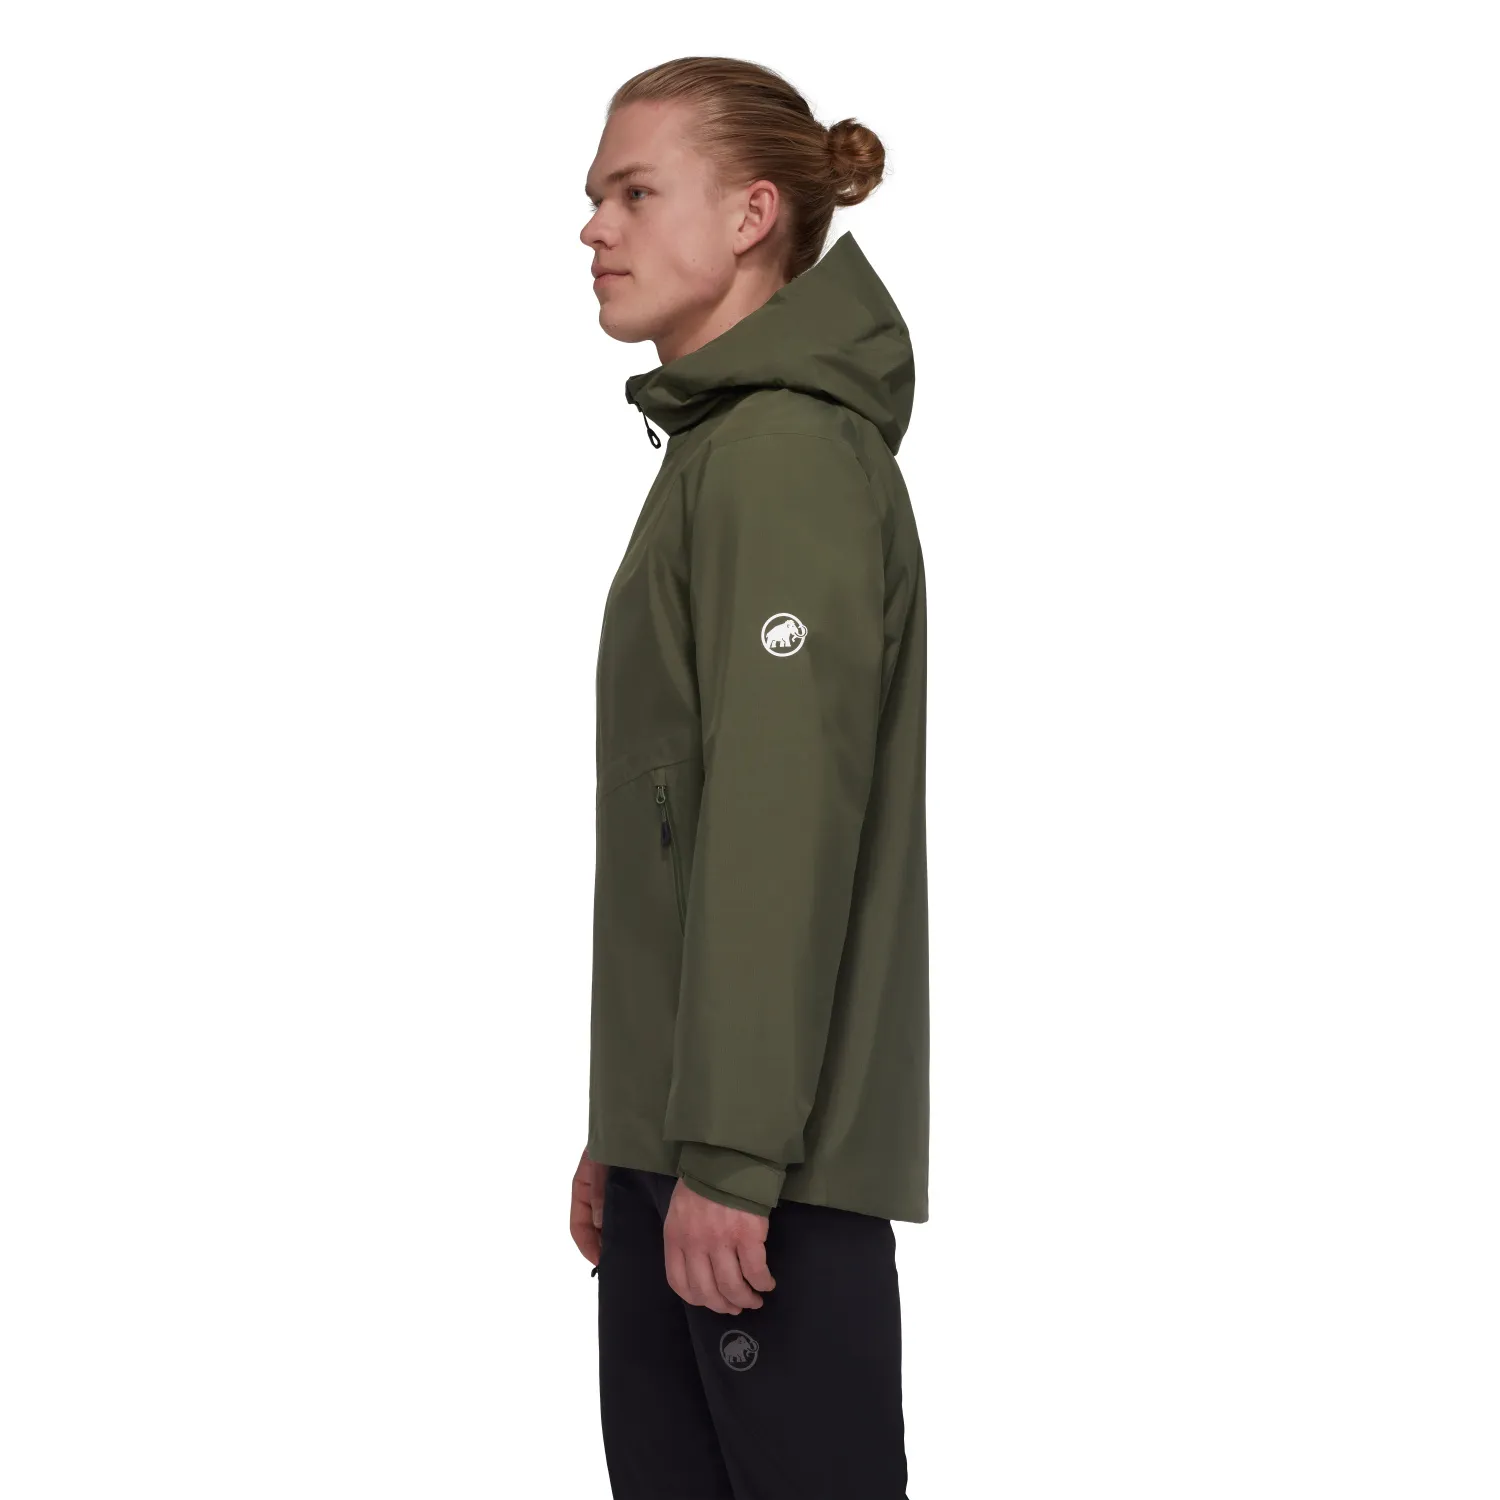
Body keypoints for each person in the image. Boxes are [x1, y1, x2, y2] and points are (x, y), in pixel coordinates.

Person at [570, 55, 927, 1500]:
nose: (595, 227)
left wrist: (721, 1152)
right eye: (595, 197)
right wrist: (631, 1128)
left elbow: (781, 826)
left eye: (634, 192)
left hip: (765, 1175)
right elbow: (682, 824)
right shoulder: (722, 452)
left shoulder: (784, 454)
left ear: (751, 215)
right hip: (700, 1150)